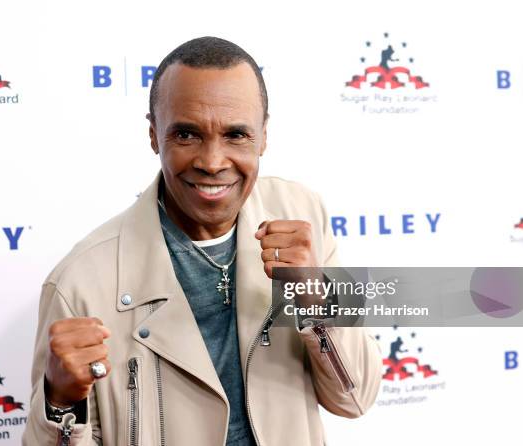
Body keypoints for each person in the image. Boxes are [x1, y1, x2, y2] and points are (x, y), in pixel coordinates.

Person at [23, 36, 382, 446]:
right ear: (155, 135)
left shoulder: (302, 213)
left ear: (264, 136)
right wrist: (62, 403)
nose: (212, 162)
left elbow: (354, 399)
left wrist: (315, 300)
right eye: (187, 135)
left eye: (236, 135)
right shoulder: (80, 282)